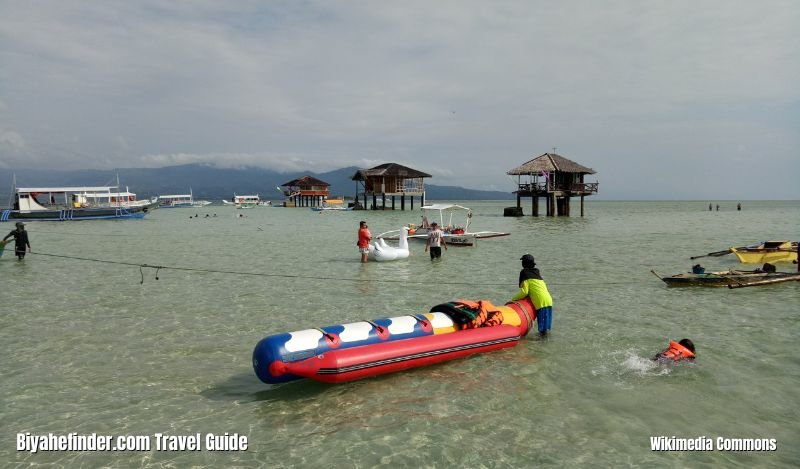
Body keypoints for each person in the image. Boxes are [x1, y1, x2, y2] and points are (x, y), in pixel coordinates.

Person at [511, 254, 553, 336]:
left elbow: (524, 292)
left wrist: (513, 299)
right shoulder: (536, 272)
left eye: (522, 261)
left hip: (541, 303)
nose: (522, 263)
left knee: (542, 331)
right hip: (548, 300)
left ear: (524, 263)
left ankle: (542, 346)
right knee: (545, 329)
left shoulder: (525, 273)